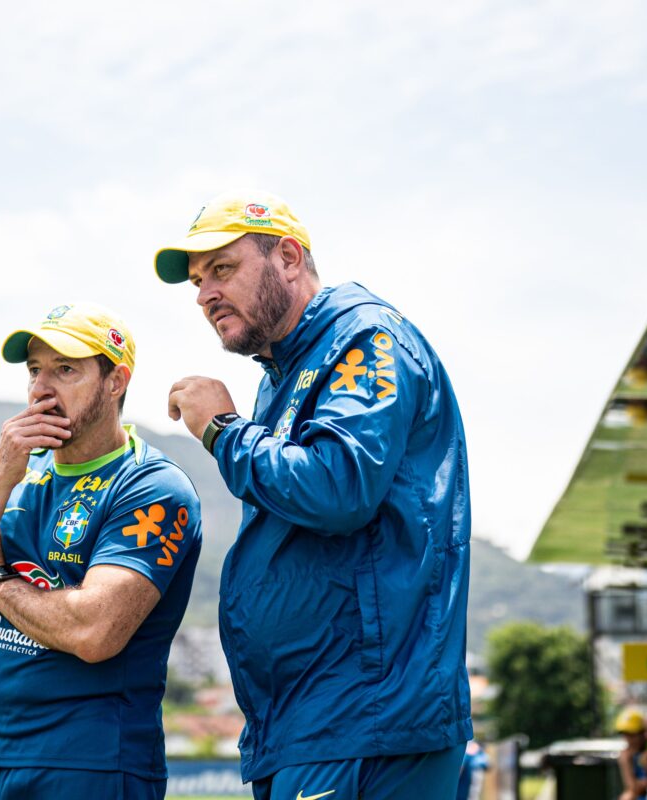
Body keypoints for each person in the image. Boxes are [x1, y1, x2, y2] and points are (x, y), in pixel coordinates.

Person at [158, 190, 471, 800]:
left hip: (366, 718)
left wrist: (223, 431)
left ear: (289, 258)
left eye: (223, 269)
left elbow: (338, 486)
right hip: (311, 721)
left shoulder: (365, 337)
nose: (204, 295)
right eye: (197, 281)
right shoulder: (284, 373)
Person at [0, 302, 202, 800]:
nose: (41, 388)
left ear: (116, 382)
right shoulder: (23, 479)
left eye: (65, 370)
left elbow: (93, 632)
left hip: (92, 767)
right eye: (34, 370)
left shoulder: (152, 486)